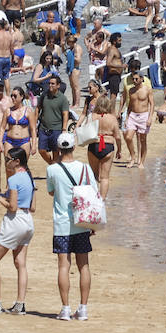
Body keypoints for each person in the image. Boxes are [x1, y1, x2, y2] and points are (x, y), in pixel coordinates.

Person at [45, 133, 95, 320]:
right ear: (74, 147)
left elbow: (51, 192)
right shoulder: (84, 168)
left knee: (63, 267)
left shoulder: (52, 170)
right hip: (81, 222)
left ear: (59, 149)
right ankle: (83, 308)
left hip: (62, 224)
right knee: (84, 266)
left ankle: (65, 308)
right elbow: (93, 193)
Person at [0, 146, 34, 316]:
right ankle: (20, 304)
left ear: (17, 161)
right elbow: (32, 206)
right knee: (20, 264)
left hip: (15, 221)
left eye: (8, 159)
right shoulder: (29, 178)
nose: (6, 161)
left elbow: (12, 207)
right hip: (28, 221)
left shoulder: (14, 179)